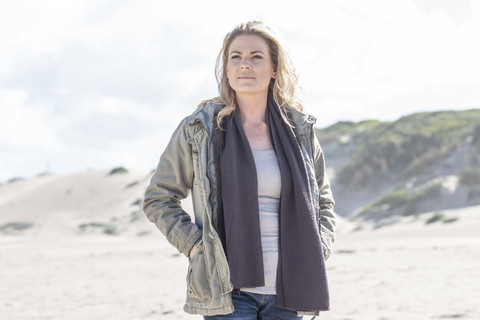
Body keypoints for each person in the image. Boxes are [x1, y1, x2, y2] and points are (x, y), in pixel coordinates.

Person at [143, 21, 336, 320]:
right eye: (236, 57)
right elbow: (159, 198)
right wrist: (196, 246)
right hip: (228, 290)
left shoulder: (299, 131)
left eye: (256, 56)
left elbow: (322, 200)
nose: (245, 64)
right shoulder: (200, 129)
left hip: (290, 288)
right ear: (227, 69)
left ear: (274, 68)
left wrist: (319, 248)